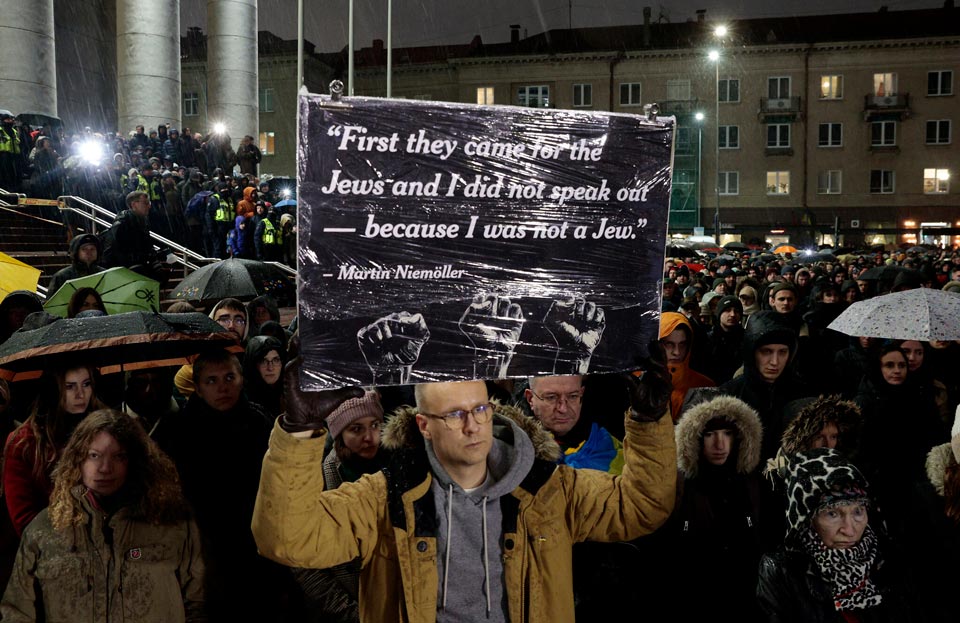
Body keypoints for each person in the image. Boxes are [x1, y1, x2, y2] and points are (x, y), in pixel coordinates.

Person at [251, 351, 677, 623]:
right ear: (424, 426)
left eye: (479, 409)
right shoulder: (385, 496)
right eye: (454, 415)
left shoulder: (548, 489)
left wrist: (649, 419)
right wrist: (297, 432)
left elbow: (641, 507)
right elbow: (290, 538)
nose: (472, 425)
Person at [0, 409, 205, 622]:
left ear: (135, 460)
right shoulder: (44, 529)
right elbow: (17, 611)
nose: (105, 468)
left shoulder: (171, 521)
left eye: (119, 456)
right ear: (77, 458)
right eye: (94, 455)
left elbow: (198, 602)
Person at [156, 348, 287, 621]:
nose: (222, 388)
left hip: (257, 538)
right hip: (203, 541)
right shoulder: (177, 429)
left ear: (241, 378)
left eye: (229, 377)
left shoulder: (259, 421)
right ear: (199, 388)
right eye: (211, 381)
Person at [757, 448, 924, 622]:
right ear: (807, 519)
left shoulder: (890, 561)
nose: (849, 530)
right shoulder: (782, 573)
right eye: (832, 514)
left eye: (858, 511)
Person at [661, 394, 765, 621]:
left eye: (727, 434)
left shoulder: (754, 484)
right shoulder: (677, 486)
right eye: (709, 434)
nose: (720, 444)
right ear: (695, 438)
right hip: (692, 602)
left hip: (744, 602)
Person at [292, 390, 390, 623]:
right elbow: (305, 565)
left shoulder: (401, 469)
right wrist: (352, 613)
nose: (369, 437)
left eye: (375, 425)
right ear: (339, 434)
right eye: (356, 429)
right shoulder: (318, 480)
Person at [3, 365, 105, 535]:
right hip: (52, 544)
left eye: (86, 384)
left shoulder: (105, 429)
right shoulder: (25, 441)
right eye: (70, 386)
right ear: (54, 390)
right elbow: (24, 519)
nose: (81, 394)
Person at [524, 374, 622, 473]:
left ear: (582, 393)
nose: (563, 409)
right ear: (530, 398)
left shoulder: (610, 447)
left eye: (573, 396)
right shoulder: (512, 449)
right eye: (551, 397)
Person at [174, 298, 248, 399]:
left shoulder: (252, 357)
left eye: (239, 320)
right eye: (224, 319)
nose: (231, 326)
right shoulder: (196, 364)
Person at [659, 311, 715, 421]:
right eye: (669, 344)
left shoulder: (704, 386)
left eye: (682, 344)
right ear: (657, 345)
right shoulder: (640, 384)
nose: (677, 352)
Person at [243, 335, 286, 418]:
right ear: (252, 364)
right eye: (263, 361)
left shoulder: (291, 391)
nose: (270, 368)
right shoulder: (243, 400)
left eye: (276, 360)